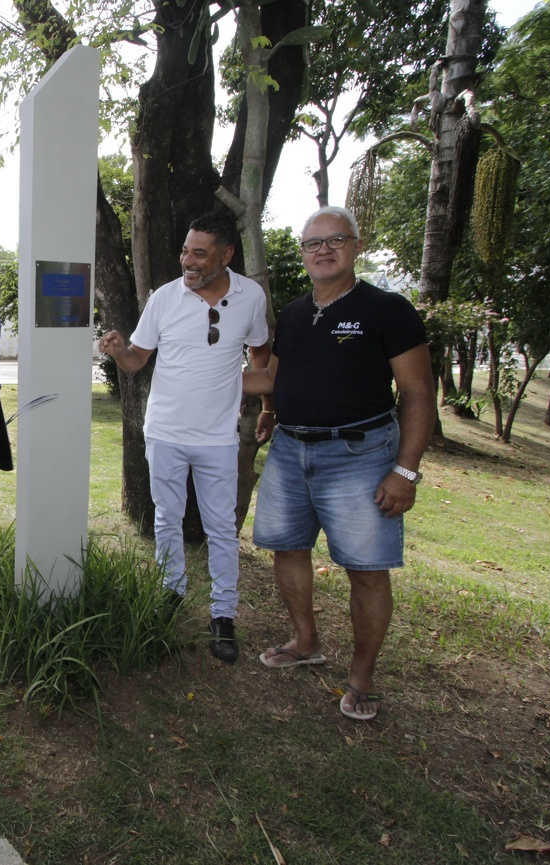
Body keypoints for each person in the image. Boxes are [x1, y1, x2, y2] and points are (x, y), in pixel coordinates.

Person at [245, 205, 434, 721]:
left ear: (355, 247)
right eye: (313, 243)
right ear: (303, 252)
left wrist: (405, 470)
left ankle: (362, 675)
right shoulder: (293, 313)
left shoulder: (387, 310)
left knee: (367, 570)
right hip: (289, 450)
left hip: (361, 455)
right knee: (286, 549)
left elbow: (418, 394)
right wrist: (193, 372)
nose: (323, 250)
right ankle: (305, 642)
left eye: (336, 240)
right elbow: (274, 379)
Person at [98, 211, 272, 663]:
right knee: (166, 519)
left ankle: (224, 615)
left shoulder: (250, 297)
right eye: (184, 251)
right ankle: (170, 594)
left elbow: (262, 358)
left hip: (218, 438)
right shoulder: (164, 298)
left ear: (226, 254)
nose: (187, 261)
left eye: (199, 253)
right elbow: (138, 360)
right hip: (165, 433)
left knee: (221, 528)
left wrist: (266, 405)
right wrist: (119, 351)